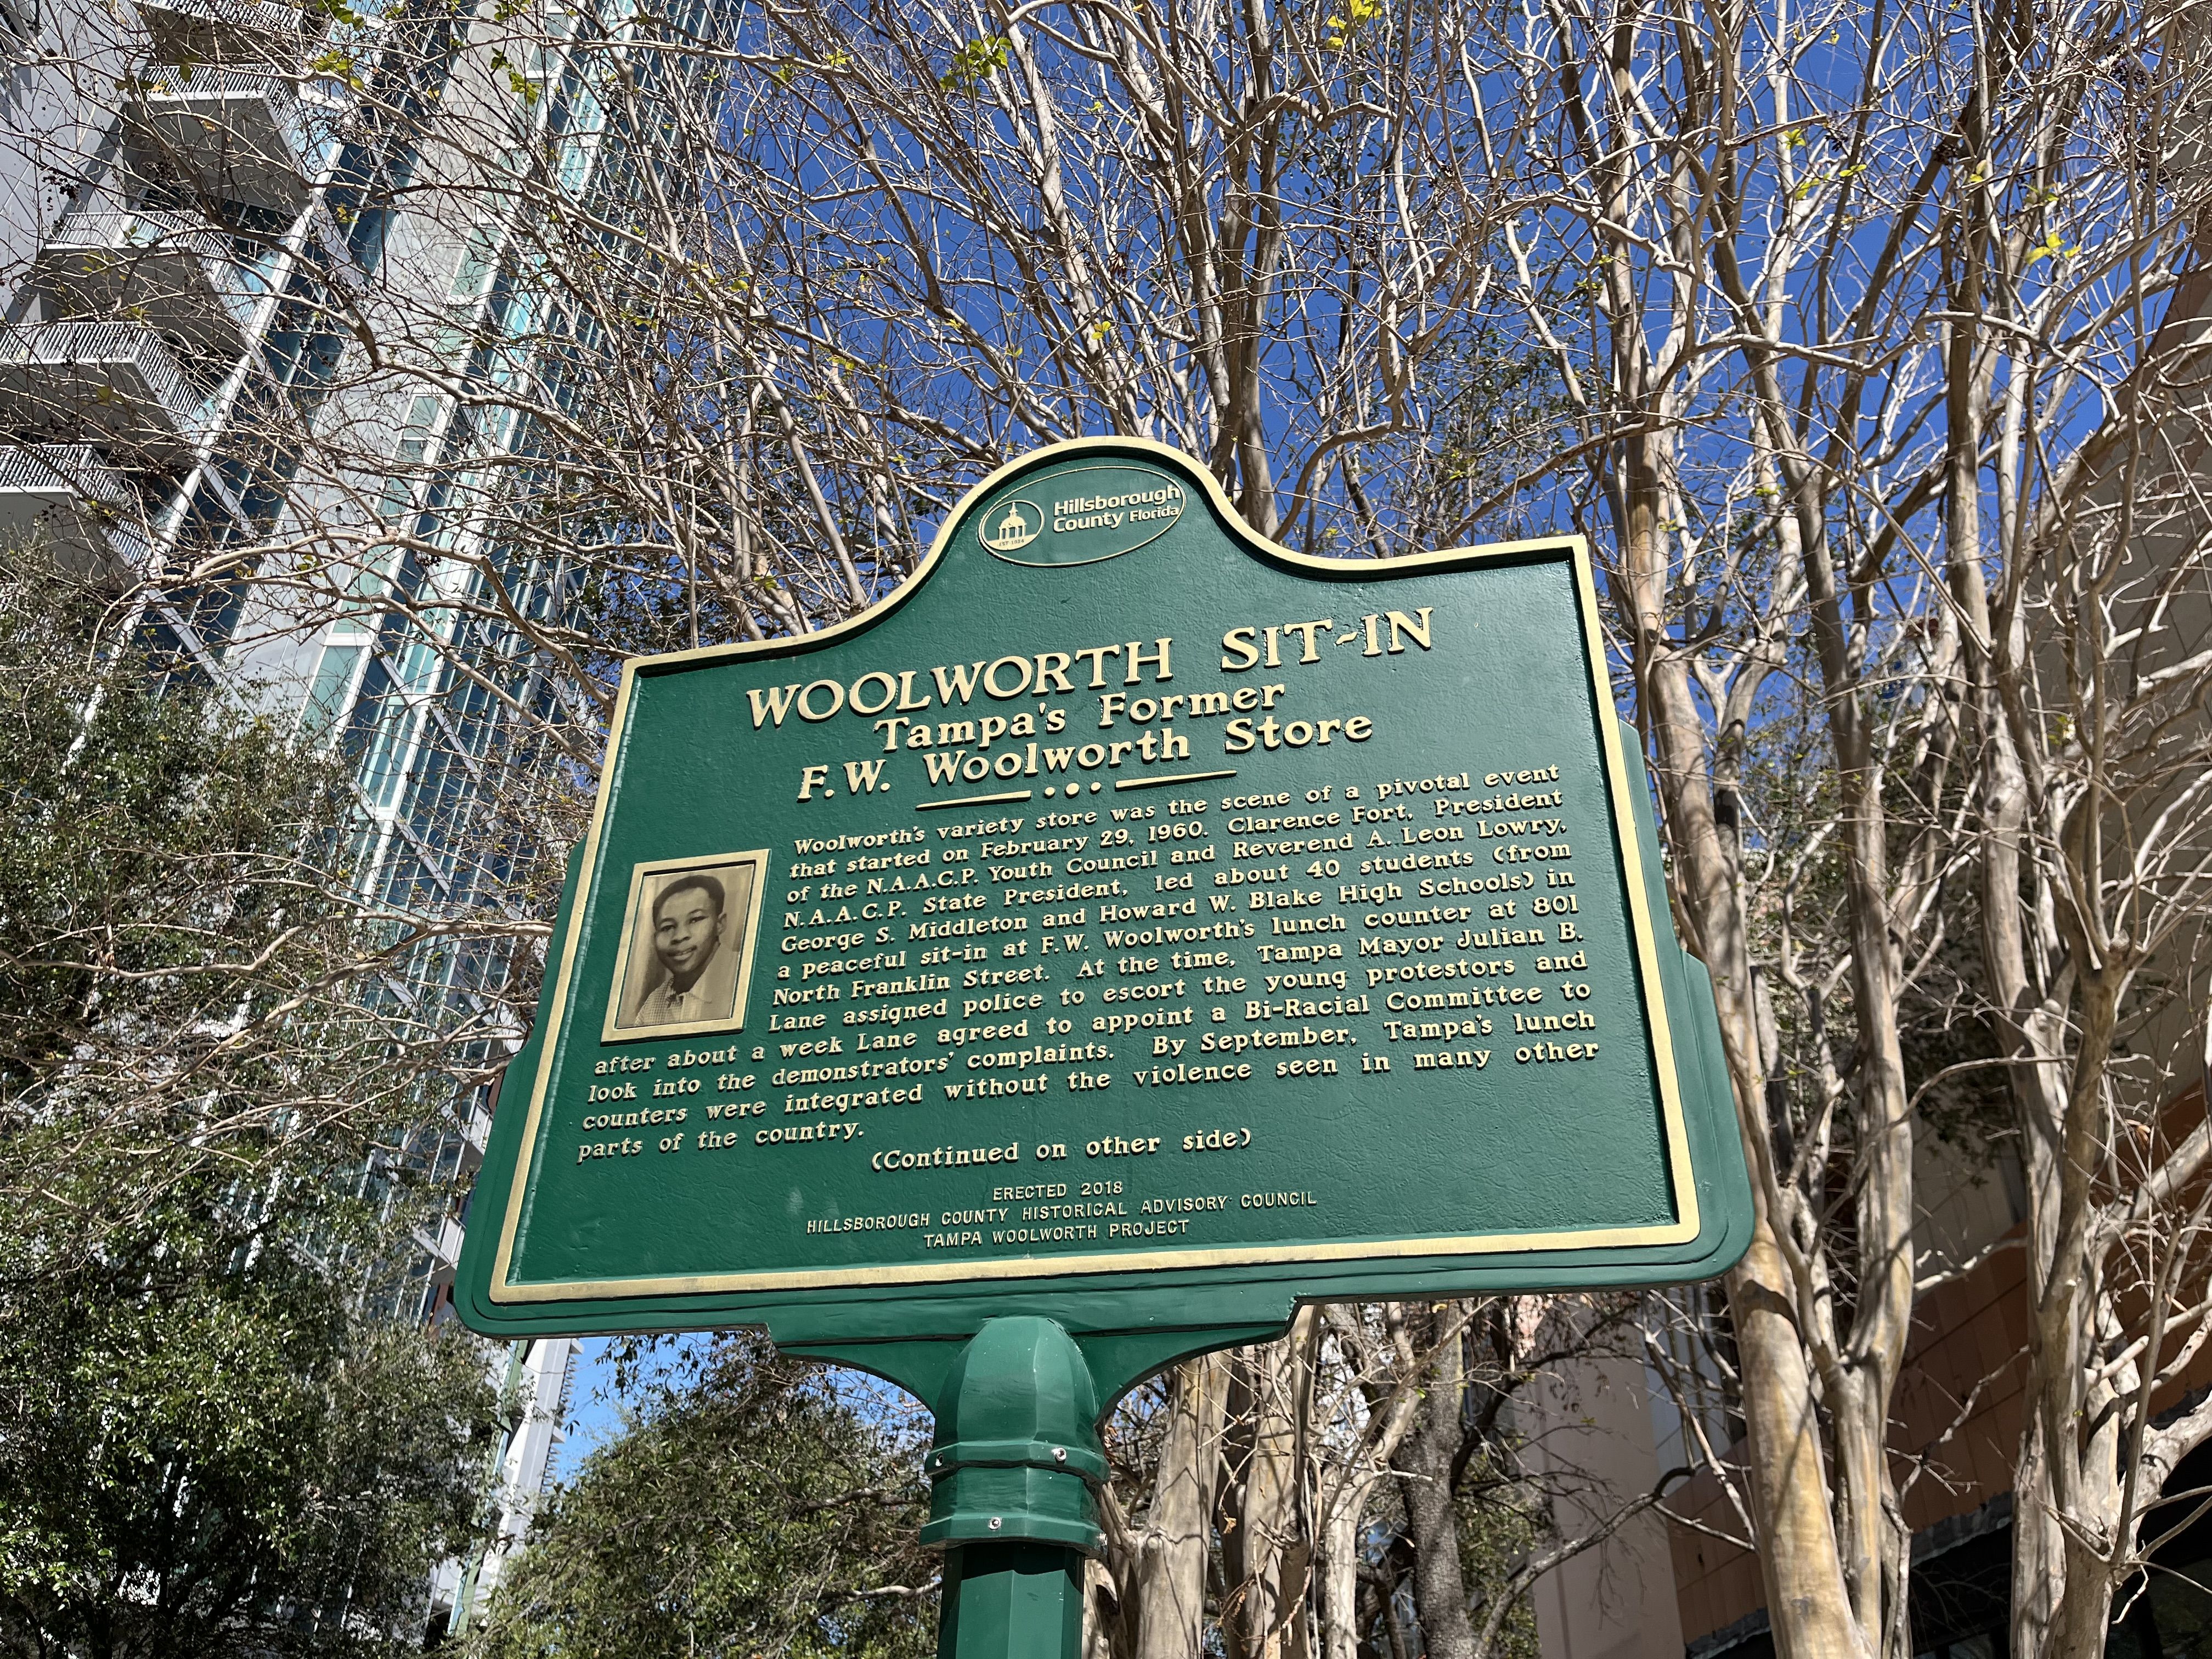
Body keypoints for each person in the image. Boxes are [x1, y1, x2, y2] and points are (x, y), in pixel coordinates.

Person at [627, 871, 743, 1027]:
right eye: (667, 927)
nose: (680, 936)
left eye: (695, 920)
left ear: (719, 924)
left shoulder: (743, 976)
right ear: (655, 938)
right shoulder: (654, 1003)